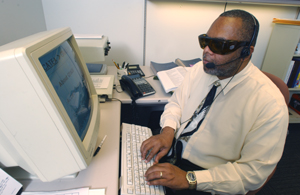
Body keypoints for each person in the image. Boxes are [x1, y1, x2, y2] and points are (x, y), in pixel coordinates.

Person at [140, 9, 289, 194]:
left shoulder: (270, 105)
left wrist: (190, 179)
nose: (206, 51)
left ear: (246, 52)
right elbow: (176, 104)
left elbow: (252, 174)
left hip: (207, 178)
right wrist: (168, 131)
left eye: (219, 46)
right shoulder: (199, 70)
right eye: (205, 41)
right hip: (172, 151)